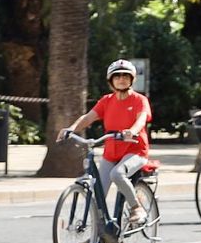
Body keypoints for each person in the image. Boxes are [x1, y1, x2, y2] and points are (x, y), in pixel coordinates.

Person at [62, 59, 151, 229]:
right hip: (111, 153)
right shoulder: (106, 100)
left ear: (132, 79)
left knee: (117, 174)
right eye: (117, 76)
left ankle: (136, 208)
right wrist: (71, 129)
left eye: (125, 76)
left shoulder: (139, 100)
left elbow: (141, 119)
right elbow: (88, 117)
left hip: (135, 151)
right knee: (98, 194)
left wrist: (132, 131)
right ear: (111, 80)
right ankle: (99, 236)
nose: (121, 79)